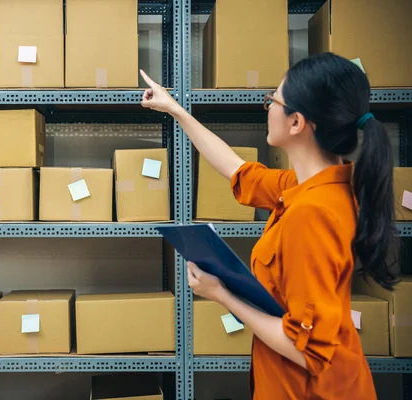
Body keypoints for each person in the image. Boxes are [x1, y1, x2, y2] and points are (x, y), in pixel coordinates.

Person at [140, 52, 398, 400]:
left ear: (297, 123)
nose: (269, 108)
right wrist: (176, 110)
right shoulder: (314, 186)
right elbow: (237, 169)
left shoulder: (312, 213)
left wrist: (223, 295)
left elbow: (307, 350)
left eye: (272, 100)